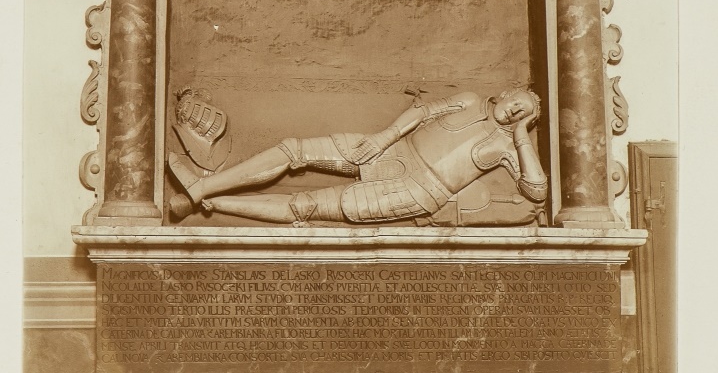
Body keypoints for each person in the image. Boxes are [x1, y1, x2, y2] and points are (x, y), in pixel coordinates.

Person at [168, 88, 548, 226]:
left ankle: (210, 204)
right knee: (294, 149)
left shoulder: (509, 146)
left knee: (305, 207)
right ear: (507, 93)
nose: (517, 111)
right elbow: (421, 112)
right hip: (392, 148)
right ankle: (201, 188)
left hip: (415, 191)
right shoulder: (469, 99)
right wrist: (383, 138)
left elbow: (536, 191)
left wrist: (521, 137)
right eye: (518, 102)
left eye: (525, 113)